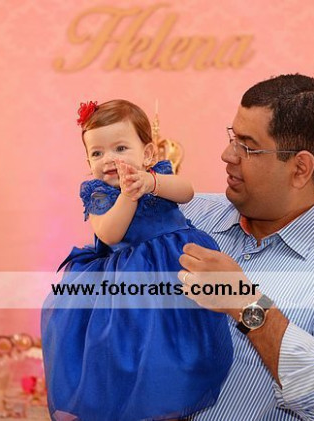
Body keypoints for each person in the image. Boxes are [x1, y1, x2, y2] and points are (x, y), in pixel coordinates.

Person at [177, 74, 314, 420]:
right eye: (232, 138)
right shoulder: (187, 218)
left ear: (300, 168)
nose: (227, 155)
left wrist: (247, 305)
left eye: (247, 146)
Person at [41, 99, 233, 421]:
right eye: (97, 153)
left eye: (120, 148)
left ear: (147, 154)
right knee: (127, 347)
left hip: (173, 268)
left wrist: (152, 183)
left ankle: (171, 398)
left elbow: (186, 192)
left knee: (175, 343)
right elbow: (109, 233)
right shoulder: (99, 192)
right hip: (127, 279)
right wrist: (129, 196)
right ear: (88, 161)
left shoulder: (157, 175)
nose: (109, 159)